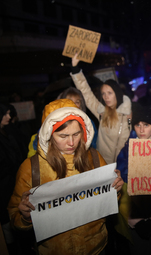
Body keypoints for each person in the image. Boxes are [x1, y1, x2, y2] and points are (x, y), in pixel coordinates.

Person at [7, 99, 124, 255]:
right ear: (49, 134)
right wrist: (25, 217)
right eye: (63, 136)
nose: (71, 142)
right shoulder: (31, 168)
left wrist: (115, 189)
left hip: (97, 247)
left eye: (76, 134)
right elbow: (15, 217)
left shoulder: (94, 157)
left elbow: (105, 201)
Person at [114, 103, 151, 255]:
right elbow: (121, 188)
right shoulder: (127, 150)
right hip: (134, 220)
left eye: (146, 125)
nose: (141, 130)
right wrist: (134, 222)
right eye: (137, 125)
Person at [71, 54, 132, 164]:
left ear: (117, 94)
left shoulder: (130, 112)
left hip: (124, 166)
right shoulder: (101, 112)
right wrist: (76, 69)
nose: (106, 97)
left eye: (109, 93)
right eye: (103, 93)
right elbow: (86, 93)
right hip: (104, 165)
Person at [28, 86, 99, 158]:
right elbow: (40, 139)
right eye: (69, 101)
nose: (72, 104)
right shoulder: (53, 120)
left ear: (81, 104)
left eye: (77, 102)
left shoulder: (88, 123)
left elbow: (92, 143)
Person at [0, 103, 25, 253]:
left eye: (10, 113)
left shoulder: (7, 131)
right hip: (3, 188)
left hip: (14, 183)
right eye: (5, 114)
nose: (8, 117)